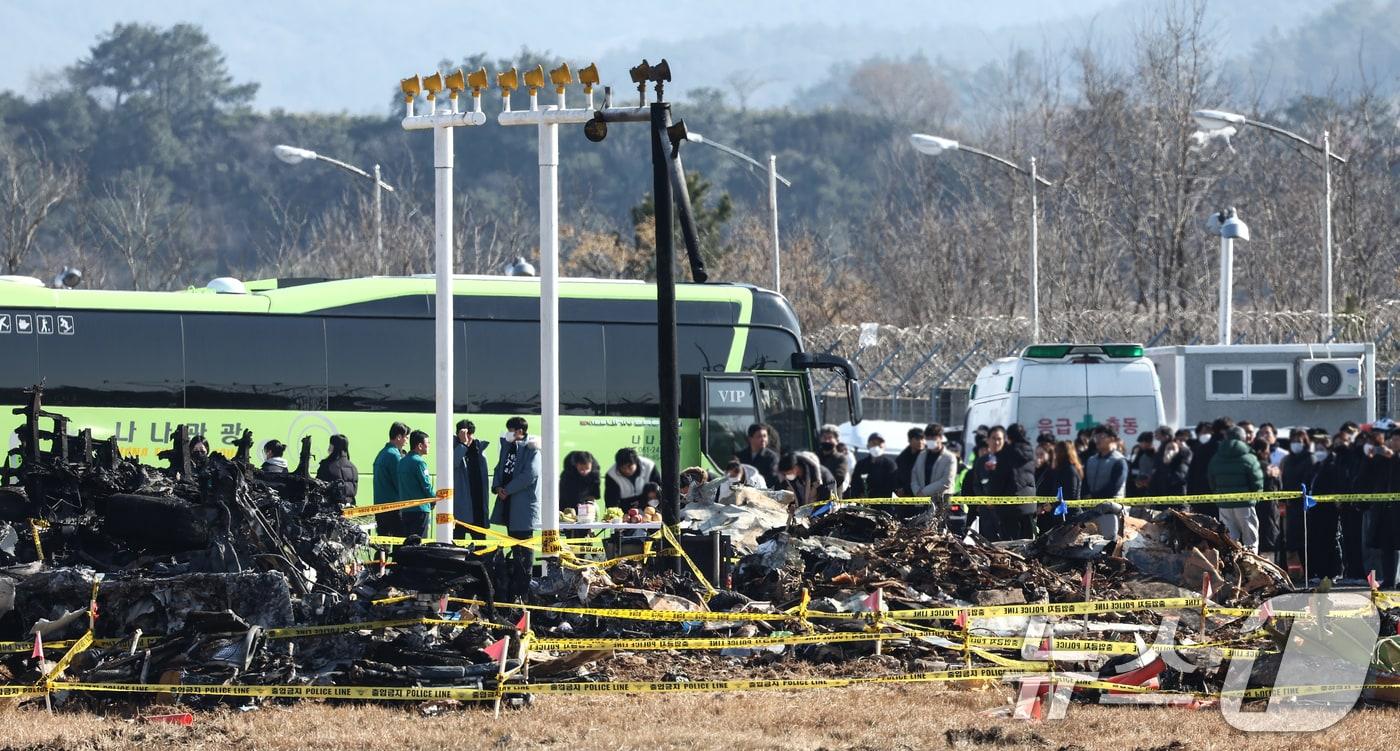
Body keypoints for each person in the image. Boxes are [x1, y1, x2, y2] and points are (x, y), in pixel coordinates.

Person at [491, 417, 541, 603]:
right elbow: (498, 469)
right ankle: (514, 592)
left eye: (511, 430)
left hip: (522, 507)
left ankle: (523, 592)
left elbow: (530, 475)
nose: (508, 433)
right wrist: (497, 487)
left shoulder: (532, 450)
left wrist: (508, 490)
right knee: (515, 547)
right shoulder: (508, 447)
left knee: (525, 552)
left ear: (520, 431)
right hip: (508, 505)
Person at [1208, 426, 1264, 552]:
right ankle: (1251, 567)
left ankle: (1232, 568)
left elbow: (1211, 480)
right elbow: (1257, 482)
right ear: (1243, 438)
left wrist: (1219, 494)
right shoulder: (1249, 457)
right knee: (1251, 541)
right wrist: (1255, 497)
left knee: (1230, 540)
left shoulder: (1216, 458)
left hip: (1224, 504)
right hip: (1245, 504)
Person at [1279, 428, 1318, 575]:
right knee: (1295, 541)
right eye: (1294, 441)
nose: (1296, 444)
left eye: (1299, 441)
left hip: (1307, 505)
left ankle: (1312, 572)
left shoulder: (1310, 458)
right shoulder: (1288, 460)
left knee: (1308, 539)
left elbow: (1310, 479)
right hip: (1292, 506)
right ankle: (1304, 572)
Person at [996, 423, 1039, 540]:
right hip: (1030, 503)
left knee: (1011, 544)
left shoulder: (1006, 453)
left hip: (1010, 505)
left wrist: (994, 498)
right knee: (1029, 541)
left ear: (1008, 437)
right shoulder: (1030, 452)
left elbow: (999, 478)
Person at [452, 420, 492, 540]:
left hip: (478, 506)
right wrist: (463, 444)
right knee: (458, 542)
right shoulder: (452, 448)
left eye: (470, 435)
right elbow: (453, 463)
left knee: (480, 544)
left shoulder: (479, 449)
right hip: (460, 508)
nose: (468, 438)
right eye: (465, 435)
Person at [910, 424, 957, 515]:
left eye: (933, 437)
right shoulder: (922, 455)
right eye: (928, 438)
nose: (930, 440)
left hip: (941, 504)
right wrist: (917, 491)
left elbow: (947, 481)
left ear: (940, 438)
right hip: (922, 503)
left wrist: (924, 492)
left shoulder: (950, 458)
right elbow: (914, 475)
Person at [373, 422, 410, 537]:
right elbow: (399, 482)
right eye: (406, 438)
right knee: (400, 540)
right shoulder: (394, 456)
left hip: (380, 506)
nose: (407, 442)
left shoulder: (382, 453)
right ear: (399, 437)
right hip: (393, 506)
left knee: (383, 543)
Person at [395, 430, 433, 539]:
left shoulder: (402, 461)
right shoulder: (420, 462)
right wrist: (435, 498)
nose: (429, 445)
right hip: (420, 510)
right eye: (428, 443)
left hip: (406, 510)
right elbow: (426, 486)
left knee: (409, 544)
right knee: (419, 544)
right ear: (420, 445)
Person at [1039, 440, 1083, 531]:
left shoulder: (1070, 470)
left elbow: (1071, 495)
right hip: (1063, 515)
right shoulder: (1061, 469)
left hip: (1071, 517)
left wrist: (1053, 507)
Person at [1251, 437, 1282, 555]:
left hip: (1254, 510)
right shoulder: (1270, 469)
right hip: (1270, 512)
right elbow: (1279, 487)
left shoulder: (1251, 467)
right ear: (1261, 451)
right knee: (1268, 549)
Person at [1147, 426, 1191, 503]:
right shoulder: (1163, 446)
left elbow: (1166, 460)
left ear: (1166, 436)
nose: (1155, 437)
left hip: (1173, 484)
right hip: (1167, 484)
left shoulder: (1172, 445)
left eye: (1157, 435)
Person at [1084, 427, 1128, 500]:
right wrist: (1086, 495)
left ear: (1112, 439)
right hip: (1091, 506)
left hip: (1113, 507)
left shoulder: (1119, 460)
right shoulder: (1090, 460)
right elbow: (1084, 482)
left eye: (1101, 436)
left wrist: (1094, 497)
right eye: (1096, 437)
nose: (1097, 440)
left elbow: (1115, 486)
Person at [851, 433, 899, 499]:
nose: (876, 446)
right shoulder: (861, 464)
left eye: (879, 444)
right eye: (873, 443)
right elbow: (854, 483)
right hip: (862, 505)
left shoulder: (890, 464)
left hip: (883, 505)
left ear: (884, 446)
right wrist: (858, 494)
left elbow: (892, 485)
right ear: (868, 445)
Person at [315, 434, 359, 506]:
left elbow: (317, 487)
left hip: (332, 511)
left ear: (332, 446)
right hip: (350, 510)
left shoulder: (327, 465)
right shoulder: (353, 468)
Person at [735, 423, 780, 488]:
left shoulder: (772, 457)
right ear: (750, 439)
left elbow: (772, 480)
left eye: (765, 436)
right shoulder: (740, 456)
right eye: (759, 436)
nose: (763, 439)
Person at [816, 424, 852, 493]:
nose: (827, 441)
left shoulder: (841, 458)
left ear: (837, 440)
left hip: (833, 499)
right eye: (824, 437)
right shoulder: (815, 457)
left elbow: (838, 478)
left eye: (830, 438)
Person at [895, 426, 927, 496]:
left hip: (925, 493)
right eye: (917, 439)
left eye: (922, 439)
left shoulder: (929, 455)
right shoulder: (902, 458)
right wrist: (898, 489)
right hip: (906, 495)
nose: (921, 442)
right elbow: (897, 477)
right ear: (909, 440)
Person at [1128, 432, 1156, 497]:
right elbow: (1133, 466)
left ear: (1149, 442)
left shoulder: (1153, 454)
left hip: (1148, 484)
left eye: (1142, 442)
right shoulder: (1139, 452)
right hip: (1137, 483)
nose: (1140, 444)